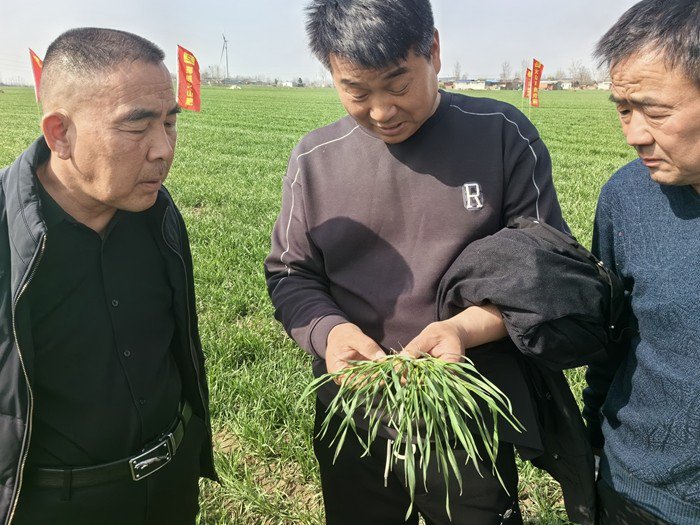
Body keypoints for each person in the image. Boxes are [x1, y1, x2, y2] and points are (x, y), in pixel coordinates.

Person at [265, 1, 571, 523]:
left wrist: (461, 331)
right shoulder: (315, 158)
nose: (381, 111)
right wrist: (331, 335)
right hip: (355, 412)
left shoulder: (500, 134)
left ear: (433, 50)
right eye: (356, 91)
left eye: (397, 84)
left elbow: (544, 274)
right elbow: (291, 274)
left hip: (466, 410)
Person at [0, 28, 216, 525]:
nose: (164, 149)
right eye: (137, 127)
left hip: (171, 484)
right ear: (61, 134)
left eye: (169, 122)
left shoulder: (157, 214)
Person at [582, 1, 700, 524]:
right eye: (622, 109)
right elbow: (610, 335)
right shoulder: (627, 198)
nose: (633, 134)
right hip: (638, 492)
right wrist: (592, 441)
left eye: (654, 111)